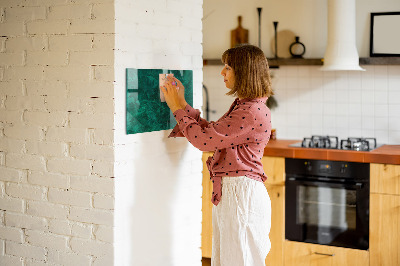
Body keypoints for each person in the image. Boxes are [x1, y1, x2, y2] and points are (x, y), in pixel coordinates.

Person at [161, 44, 273, 266]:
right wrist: (182, 103)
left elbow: (204, 141)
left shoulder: (250, 111)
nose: (222, 72)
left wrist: (176, 107)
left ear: (244, 72)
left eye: (228, 67)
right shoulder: (246, 106)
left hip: (241, 195)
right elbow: (212, 133)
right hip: (236, 193)